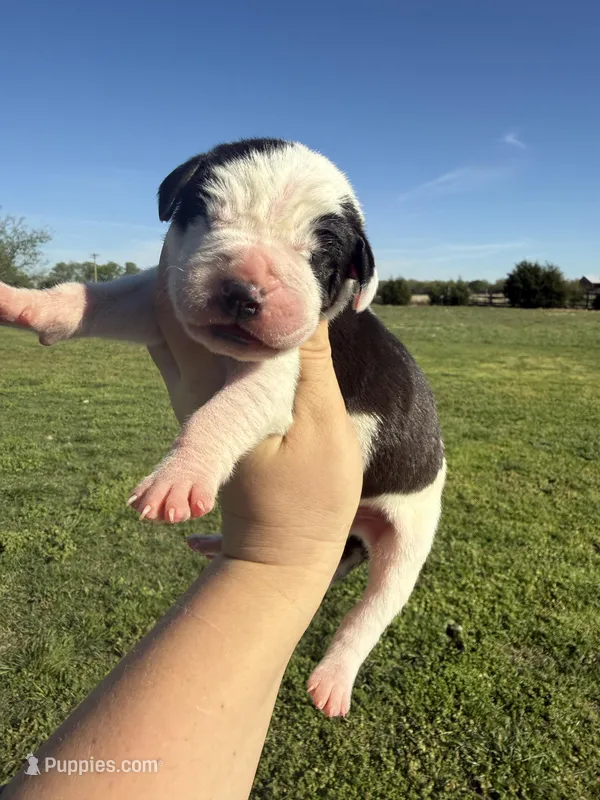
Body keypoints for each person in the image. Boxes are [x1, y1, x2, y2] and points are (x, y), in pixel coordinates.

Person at [2, 272, 363, 799]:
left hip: (391, 472)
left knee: (398, 563)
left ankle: (347, 657)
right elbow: (148, 301)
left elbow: (267, 386)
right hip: (319, 489)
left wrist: (200, 455)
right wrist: (59, 308)